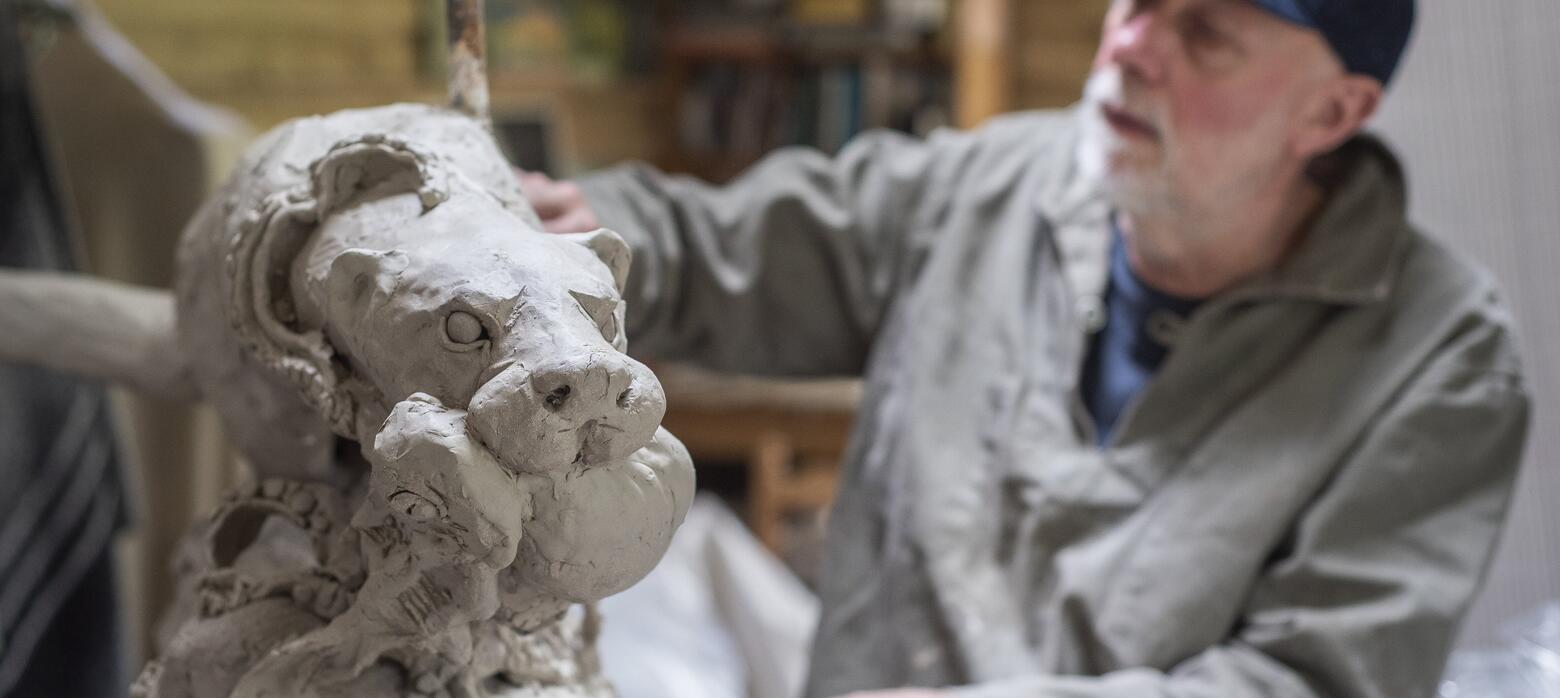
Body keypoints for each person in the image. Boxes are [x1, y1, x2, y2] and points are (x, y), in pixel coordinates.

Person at [521, 0, 1531, 696]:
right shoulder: (989, 185)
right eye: (1137, 1)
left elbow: (1314, 681)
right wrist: (557, 239)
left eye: (1208, 32)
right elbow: (718, 251)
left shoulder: (1440, 358)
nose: (1132, 46)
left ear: (1334, 111)